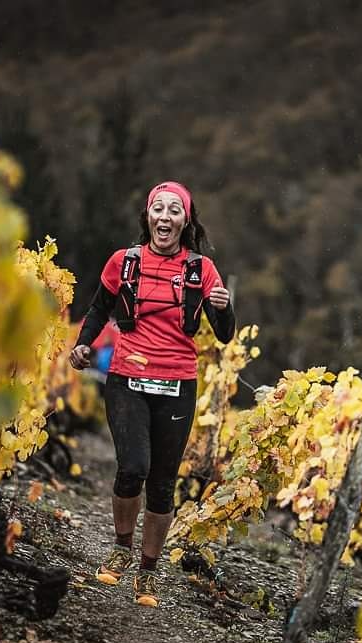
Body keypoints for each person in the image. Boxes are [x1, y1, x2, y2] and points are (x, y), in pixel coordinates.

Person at [69, 181, 235, 607]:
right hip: (126, 378)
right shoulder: (123, 262)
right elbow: (98, 308)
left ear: (185, 220)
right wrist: (84, 344)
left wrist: (223, 305)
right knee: (133, 468)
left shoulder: (202, 271)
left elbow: (225, 332)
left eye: (174, 210)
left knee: (162, 484)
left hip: (178, 382)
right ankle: (122, 549)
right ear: (147, 217)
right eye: (157, 209)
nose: (165, 217)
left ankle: (148, 572)